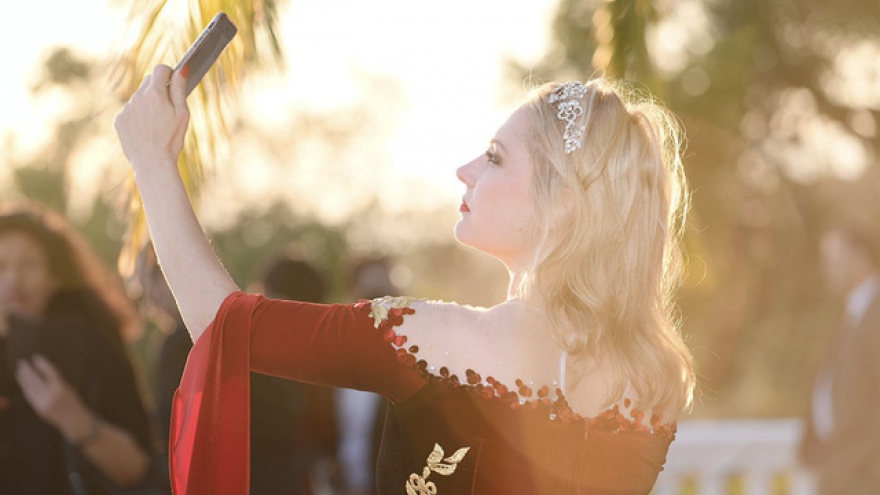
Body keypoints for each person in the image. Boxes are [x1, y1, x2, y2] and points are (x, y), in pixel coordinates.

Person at [115, 67, 696, 494]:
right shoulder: (657, 375)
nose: (465, 170)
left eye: (495, 157)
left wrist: (153, 161)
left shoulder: (434, 339)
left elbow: (224, 325)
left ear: (563, 202)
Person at [136, 245, 338, 494]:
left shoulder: (186, 343)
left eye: (148, 285)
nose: (149, 300)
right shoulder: (310, 356)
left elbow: (172, 434)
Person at [0, 201, 156, 495]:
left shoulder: (92, 349)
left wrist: (72, 417)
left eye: (28, 265)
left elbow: (138, 469)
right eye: (0, 266)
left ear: (54, 278)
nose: (12, 280)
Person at [800, 223, 880, 495]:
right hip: (839, 466)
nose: (826, 267)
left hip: (863, 473)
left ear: (859, 256)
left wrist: (871, 469)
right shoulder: (852, 311)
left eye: (833, 257)